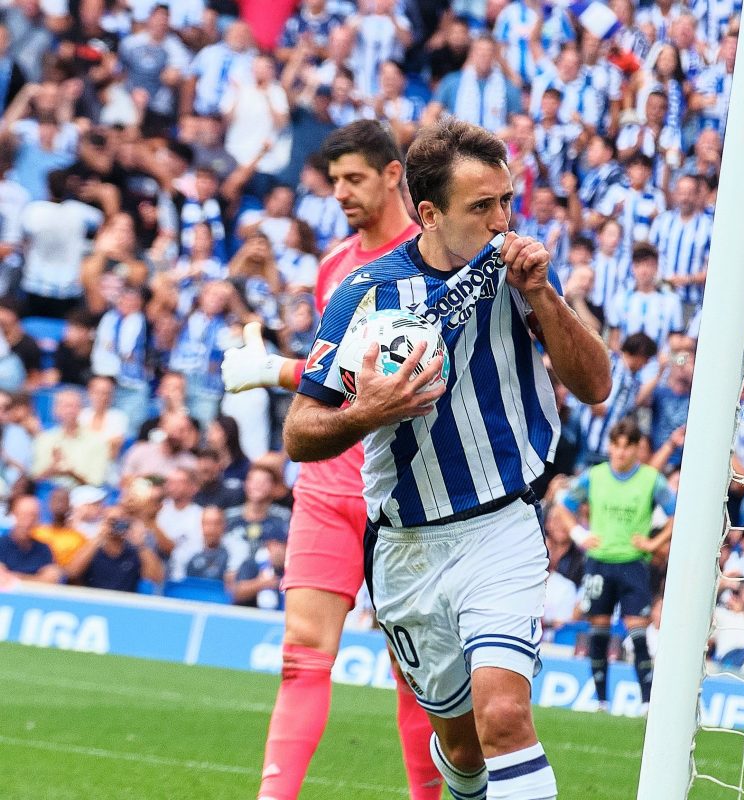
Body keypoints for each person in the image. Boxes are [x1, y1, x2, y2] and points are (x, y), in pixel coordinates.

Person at [282, 118, 610, 800]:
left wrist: (544, 295)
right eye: (480, 207)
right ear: (428, 214)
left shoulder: (519, 275)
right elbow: (300, 431)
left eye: (505, 201)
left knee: (503, 715)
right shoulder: (366, 296)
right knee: (459, 746)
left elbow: (596, 386)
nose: (501, 221)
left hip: (502, 528)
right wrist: (368, 413)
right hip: (406, 549)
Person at [220, 120, 440, 800]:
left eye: (354, 179)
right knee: (300, 657)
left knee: (413, 675)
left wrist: (268, 368)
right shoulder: (331, 267)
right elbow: (331, 380)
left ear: (392, 175)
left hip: (402, 497)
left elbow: (396, 381)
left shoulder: (434, 263)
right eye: (334, 179)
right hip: (324, 485)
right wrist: (284, 369)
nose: (340, 192)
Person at [561, 420, 676, 714]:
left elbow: (678, 512)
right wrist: (579, 534)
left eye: (627, 446)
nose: (621, 453)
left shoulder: (651, 480)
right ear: (610, 447)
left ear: (637, 449)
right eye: (616, 446)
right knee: (597, 629)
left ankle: (647, 701)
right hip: (599, 561)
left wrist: (653, 544)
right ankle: (600, 701)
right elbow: (564, 505)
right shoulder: (594, 476)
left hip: (633, 563)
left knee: (637, 630)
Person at [65, 504, 165, 592]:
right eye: (112, 521)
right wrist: (100, 536)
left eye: (120, 521)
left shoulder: (134, 552)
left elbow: (157, 577)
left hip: (123, 605)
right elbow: (72, 573)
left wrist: (140, 544)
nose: (116, 526)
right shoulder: (93, 549)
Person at [0, 495, 61, 583]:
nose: (28, 521)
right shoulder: (1, 545)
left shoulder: (43, 549)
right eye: (23, 515)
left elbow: (51, 577)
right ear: (14, 514)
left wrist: (12, 576)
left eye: (33, 516)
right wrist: (37, 579)